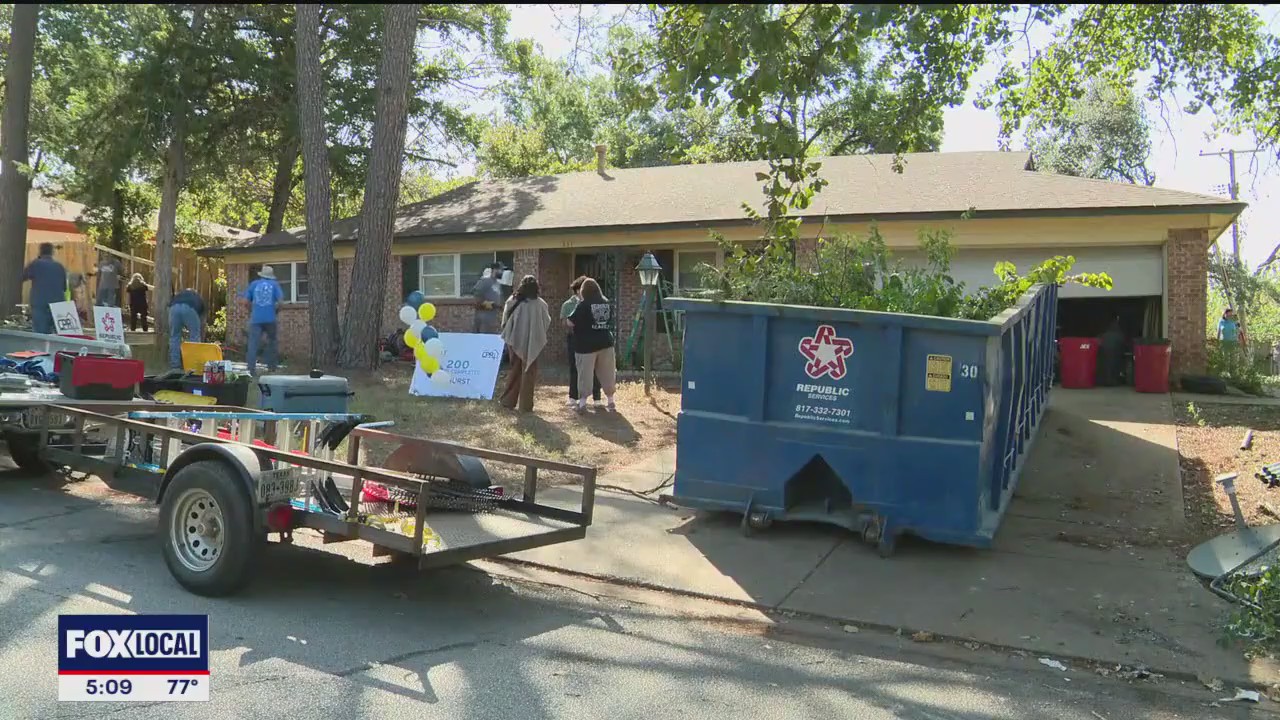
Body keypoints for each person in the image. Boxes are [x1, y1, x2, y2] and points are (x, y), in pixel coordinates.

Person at [499, 275, 552, 412]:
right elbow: (546, 322)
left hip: (514, 340)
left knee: (515, 371)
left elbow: (505, 320)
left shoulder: (513, 300)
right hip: (534, 342)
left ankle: (507, 401)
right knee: (529, 374)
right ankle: (525, 406)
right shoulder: (541, 304)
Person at [568, 277, 617, 412]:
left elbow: (570, 322)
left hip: (586, 345)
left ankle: (583, 403)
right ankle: (611, 401)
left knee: (585, 374)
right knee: (607, 373)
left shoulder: (583, 305)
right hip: (606, 342)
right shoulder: (607, 303)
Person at [560, 276, 601, 406]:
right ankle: (573, 396)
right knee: (574, 367)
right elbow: (564, 323)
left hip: (591, 337)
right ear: (578, 290)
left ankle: (597, 397)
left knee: (594, 367)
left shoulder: (594, 303)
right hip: (575, 338)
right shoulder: (568, 304)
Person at [241, 265, 283, 375]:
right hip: (270, 319)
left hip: (256, 319)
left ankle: (251, 369)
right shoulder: (274, 285)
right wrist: (275, 312)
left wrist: (252, 310)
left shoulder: (254, 284)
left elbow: (245, 302)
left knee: (253, 344)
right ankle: (272, 367)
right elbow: (280, 302)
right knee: (272, 342)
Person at [21, 243, 67, 335]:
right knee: (57, 332)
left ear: (40, 251)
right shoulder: (59, 266)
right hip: (57, 302)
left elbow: (23, 277)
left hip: (40, 302)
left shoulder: (35, 264)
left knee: (40, 332)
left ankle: (41, 348)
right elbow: (64, 287)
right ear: (52, 252)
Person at [168, 287, 206, 369]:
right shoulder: (198, 298)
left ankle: (175, 365)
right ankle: (192, 364)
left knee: (174, 336)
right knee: (194, 336)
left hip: (174, 308)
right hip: (190, 308)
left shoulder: (179, 295)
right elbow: (202, 324)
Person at [472, 262, 505, 334]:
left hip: (493, 320)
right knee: (482, 342)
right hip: (483, 319)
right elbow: (476, 296)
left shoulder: (497, 284)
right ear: (495, 270)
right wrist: (487, 304)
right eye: (501, 270)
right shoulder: (485, 281)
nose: (502, 272)